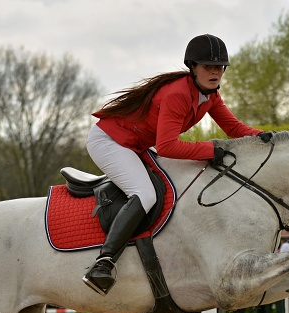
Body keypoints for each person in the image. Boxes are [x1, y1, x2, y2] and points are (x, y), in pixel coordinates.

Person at [83, 34, 266, 295]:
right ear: (193, 67)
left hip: (136, 144)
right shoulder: (178, 94)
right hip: (110, 142)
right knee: (144, 193)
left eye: (219, 67)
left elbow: (234, 128)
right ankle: (103, 262)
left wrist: (260, 136)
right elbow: (168, 146)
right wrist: (208, 150)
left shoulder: (210, 95)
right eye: (208, 67)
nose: (215, 72)